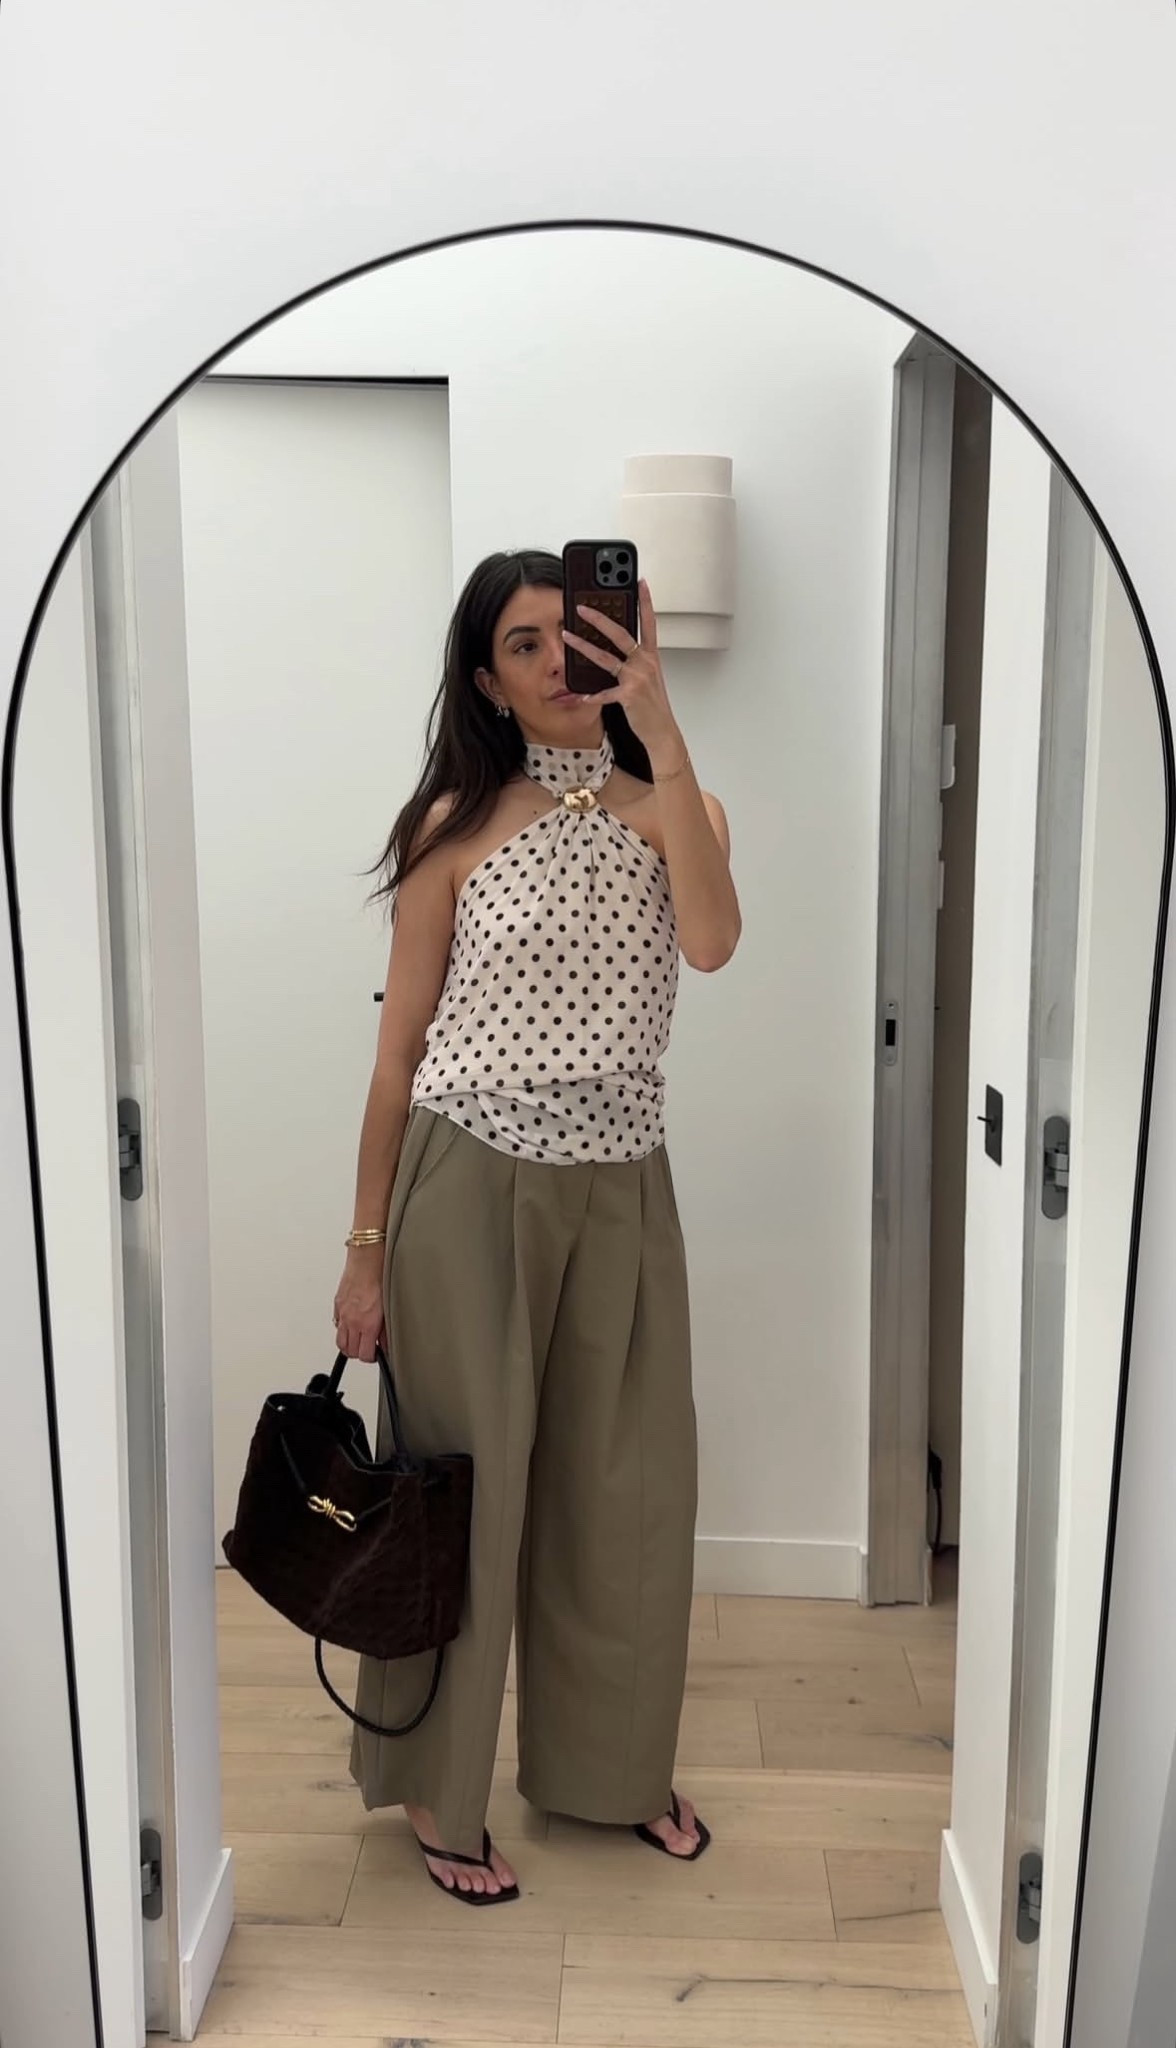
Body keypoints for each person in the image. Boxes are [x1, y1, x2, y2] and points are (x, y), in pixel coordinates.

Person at [333, 548, 741, 1903]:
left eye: (577, 634)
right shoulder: (454, 826)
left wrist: (662, 730)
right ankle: (438, 1791)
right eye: (524, 645)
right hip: (467, 1189)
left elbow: (712, 943)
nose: (560, 664)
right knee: (464, 1501)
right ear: (487, 681)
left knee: (626, 1496)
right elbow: (397, 1055)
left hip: (626, 1186)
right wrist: (364, 1253)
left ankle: (612, 1772)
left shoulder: (677, 807)